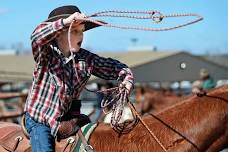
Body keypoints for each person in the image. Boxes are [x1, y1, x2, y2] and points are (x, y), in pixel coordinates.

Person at [24, 5, 134, 151]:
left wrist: (127, 78)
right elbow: (36, 37)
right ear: (58, 34)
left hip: (67, 117)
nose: (81, 36)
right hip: (40, 120)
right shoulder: (46, 54)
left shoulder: (85, 59)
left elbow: (114, 67)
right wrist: (65, 22)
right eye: (75, 31)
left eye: (82, 31)